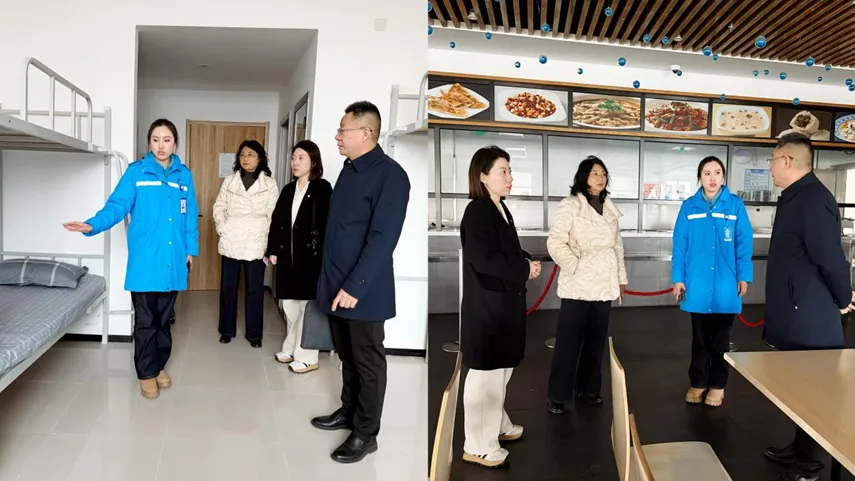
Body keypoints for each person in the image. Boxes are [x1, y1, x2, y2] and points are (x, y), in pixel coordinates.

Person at [63, 118, 198, 400]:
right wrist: (92, 224)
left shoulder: (183, 176)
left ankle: (159, 366)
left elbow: (189, 218)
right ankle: (146, 373)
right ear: (149, 142)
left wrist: (190, 250)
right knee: (146, 321)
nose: (161, 146)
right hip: (146, 260)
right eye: (156, 140)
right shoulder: (137, 172)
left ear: (175, 143)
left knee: (165, 320)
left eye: (167, 140)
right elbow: (117, 206)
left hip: (173, 259)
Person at [310, 101, 410, 464]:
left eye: (343, 130)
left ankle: (366, 433)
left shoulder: (391, 176)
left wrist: (355, 286)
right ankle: (348, 411)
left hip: (363, 290)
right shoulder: (349, 170)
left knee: (368, 361)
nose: (337, 136)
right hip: (336, 284)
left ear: (365, 133)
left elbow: (383, 239)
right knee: (346, 355)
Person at [762, 133, 854, 481]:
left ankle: (811, 464)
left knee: (816, 392)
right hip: (796, 310)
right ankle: (800, 448)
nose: (770, 168)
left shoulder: (813, 199)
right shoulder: (795, 196)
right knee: (799, 388)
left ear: (786, 160)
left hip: (810, 315)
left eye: (772, 161)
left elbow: (830, 258)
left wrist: (844, 297)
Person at [459, 145, 541, 468]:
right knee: (485, 377)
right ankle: (478, 445)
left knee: (501, 372)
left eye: (509, 171)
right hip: (488, 309)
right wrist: (523, 268)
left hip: (504, 306)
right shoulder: (477, 211)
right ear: (482, 177)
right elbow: (484, 260)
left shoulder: (499, 207)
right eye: (502, 171)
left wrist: (525, 261)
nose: (510, 177)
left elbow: (506, 250)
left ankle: (498, 424)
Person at [545, 156, 626, 414]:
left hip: (604, 283)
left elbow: (617, 246)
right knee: (568, 342)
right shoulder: (571, 205)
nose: (600, 178)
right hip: (577, 285)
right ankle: (558, 395)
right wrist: (576, 266)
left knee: (596, 341)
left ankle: (588, 388)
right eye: (594, 173)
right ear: (583, 177)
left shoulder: (608, 207)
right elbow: (555, 242)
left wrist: (621, 279)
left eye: (603, 173)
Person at [671, 156, 753, 408]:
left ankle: (717, 385)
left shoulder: (735, 206)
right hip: (697, 283)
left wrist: (744, 275)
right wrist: (678, 278)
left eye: (717, 172)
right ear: (700, 177)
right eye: (707, 173)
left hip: (726, 283)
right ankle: (698, 381)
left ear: (723, 176)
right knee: (699, 339)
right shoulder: (689, 207)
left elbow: (743, 243)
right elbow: (680, 244)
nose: (712, 178)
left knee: (720, 340)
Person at [268, 140, 332, 373]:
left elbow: (327, 224)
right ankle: (291, 348)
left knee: (308, 309)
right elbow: (277, 221)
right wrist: (272, 250)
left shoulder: (322, 188)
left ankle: (308, 356)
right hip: (287, 258)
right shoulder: (288, 189)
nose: (295, 162)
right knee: (290, 307)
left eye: (301, 158)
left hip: (311, 259)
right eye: (294, 158)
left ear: (313, 161)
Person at [212, 140, 279, 348]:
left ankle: (254, 334)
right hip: (231, 238)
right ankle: (226, 330)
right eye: (242, 154)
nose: (245, 158)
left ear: (260, 158)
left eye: (250, 154)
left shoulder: (269, 184)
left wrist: (267, 239)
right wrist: (223, 227)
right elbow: (218, 207)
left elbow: (273, 215)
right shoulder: (230, 181)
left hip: (256, 239)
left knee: (254, 289)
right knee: (228, 287)